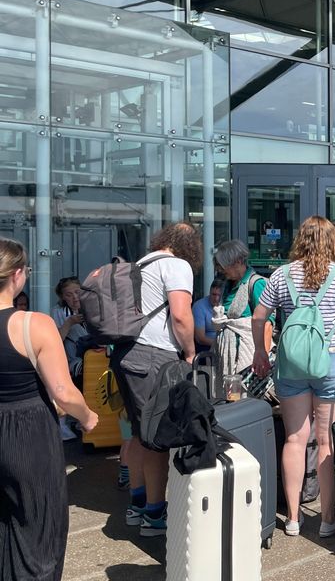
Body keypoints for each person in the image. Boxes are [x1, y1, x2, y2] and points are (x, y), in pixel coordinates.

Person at [250, 216, 335, 538]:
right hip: (331, 359)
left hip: (292, 363)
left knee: (295, 439)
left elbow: (260, 316)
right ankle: (327, 518)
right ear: (331, 242)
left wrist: (260, 351)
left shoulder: (281, 275)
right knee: (327, 441)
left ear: (300, 240)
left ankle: (293, 518)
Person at [0, 237, 98, 581]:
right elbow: (62, 391)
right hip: (28, 431)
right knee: (39, 528)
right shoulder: (33, 324)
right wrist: (88, 418)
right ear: (16, 275)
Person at [110, 222, 200, 537]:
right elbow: (180, 315)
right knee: (156, 438)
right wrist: (190, 352)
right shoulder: (177, 265)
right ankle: (154, 514)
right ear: (190, 245)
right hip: (153, 357)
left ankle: (137, 505)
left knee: (137, 432)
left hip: (124, 354)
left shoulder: (140, 264)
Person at [213, 240, 272, 386]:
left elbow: (266, 323)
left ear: (238, 261)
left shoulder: (256, 284)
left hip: (249, 358)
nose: (221, 270)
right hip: (228, 357)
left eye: (224, 266)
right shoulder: (227, 285)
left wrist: (262, 356)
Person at [51, 276, 87, 381]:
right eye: (69, 295)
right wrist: (69, 322)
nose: (75, 297)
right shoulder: (58, 312)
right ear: (63, 297)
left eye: (77, 292)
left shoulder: (92, 307)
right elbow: (56, 341)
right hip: (74, 361)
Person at [192, 280, 222, 354]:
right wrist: (220, 345)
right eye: (214, 294)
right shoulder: (199, 306)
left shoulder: (227, 304)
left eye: (219, 295)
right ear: (209, 292)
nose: (216, 298)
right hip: (206, 347)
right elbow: (200, 338)